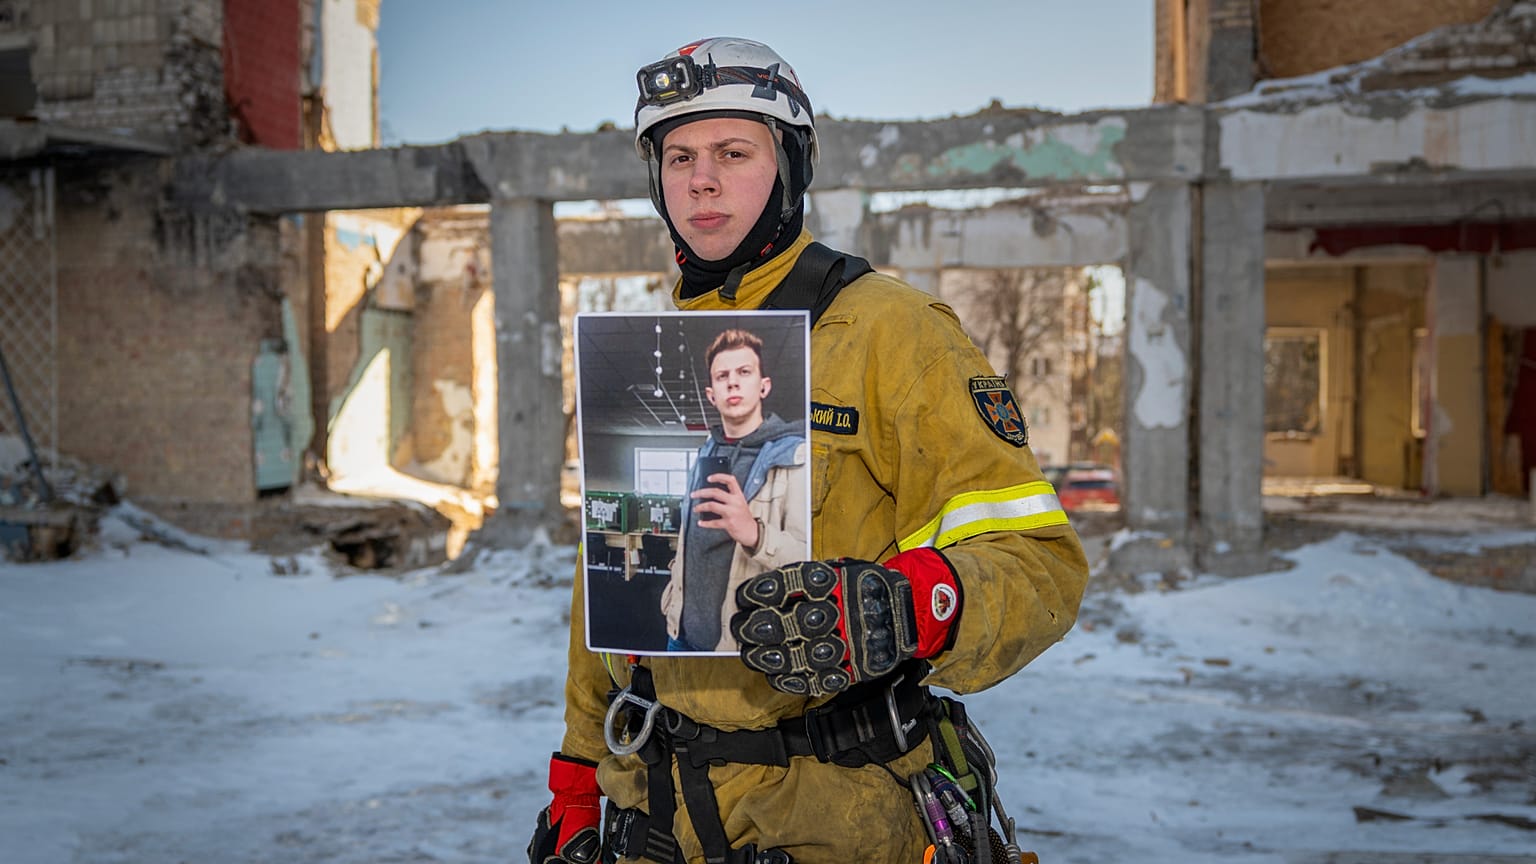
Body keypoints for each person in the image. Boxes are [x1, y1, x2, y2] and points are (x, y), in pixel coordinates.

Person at [529, 37, 1089, 864]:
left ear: (791, 165)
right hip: (658, 815)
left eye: (733, 152)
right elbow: (612, 588)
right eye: (678, 156)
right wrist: (578, 782)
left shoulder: (892, 332)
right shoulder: (652, 355)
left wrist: (910, 604)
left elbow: (1040, 564)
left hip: (835, 816)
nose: (701, 180)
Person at [661, 328, 809, 652]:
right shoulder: (706, 453)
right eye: (722, 376)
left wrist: (755, 534)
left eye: (744, 372)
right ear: (711, 394)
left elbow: (811, 561)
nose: (732, 382)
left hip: (741, 648)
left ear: (763, 386)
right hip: (679, 635)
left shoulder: (795, 456)